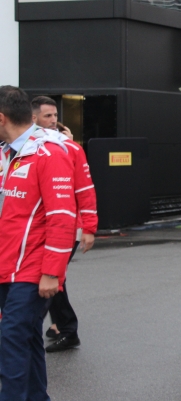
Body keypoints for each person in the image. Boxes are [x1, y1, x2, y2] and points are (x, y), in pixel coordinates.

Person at [0, 86, 76, 400]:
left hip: (33, 270)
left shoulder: (49, 152)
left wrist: (52, 272)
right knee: (28, 337)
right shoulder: (7, 154)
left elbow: (62, 217)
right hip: (8, 266)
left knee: (12, 337)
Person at [31, 96, 98, 353]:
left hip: (66, 228)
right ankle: (61, 325)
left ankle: (68, 330)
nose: (54, 121)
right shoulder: (25, 147)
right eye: (48, 116)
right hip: (38, 229)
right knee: (50, 278)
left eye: (55, 116)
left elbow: (85, 190)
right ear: (33, 118)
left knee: (52, 277)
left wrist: (89, 228)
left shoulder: (70, 149)